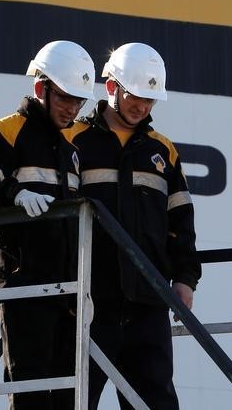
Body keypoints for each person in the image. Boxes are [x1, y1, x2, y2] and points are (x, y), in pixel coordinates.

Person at [0, 40, 95, 410]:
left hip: (66, 291)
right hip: (22, 284)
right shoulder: (6, 131)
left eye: (79, 101)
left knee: (67, 397)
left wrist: (86, 287)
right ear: (40, 87)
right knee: (29, 395)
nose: (72, 108)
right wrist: (13, 193)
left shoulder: (70, 149)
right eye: (64, 98)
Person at [66, 42, 200, 410]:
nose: (142, 107)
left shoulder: (164, 151)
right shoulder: (73, 140)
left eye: (150, 100)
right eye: (135, 96)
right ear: (111, 88)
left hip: (147, 303)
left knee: (154, 401)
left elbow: (181, 221)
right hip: (88, 302)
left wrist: (185, 278)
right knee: (72, 399)